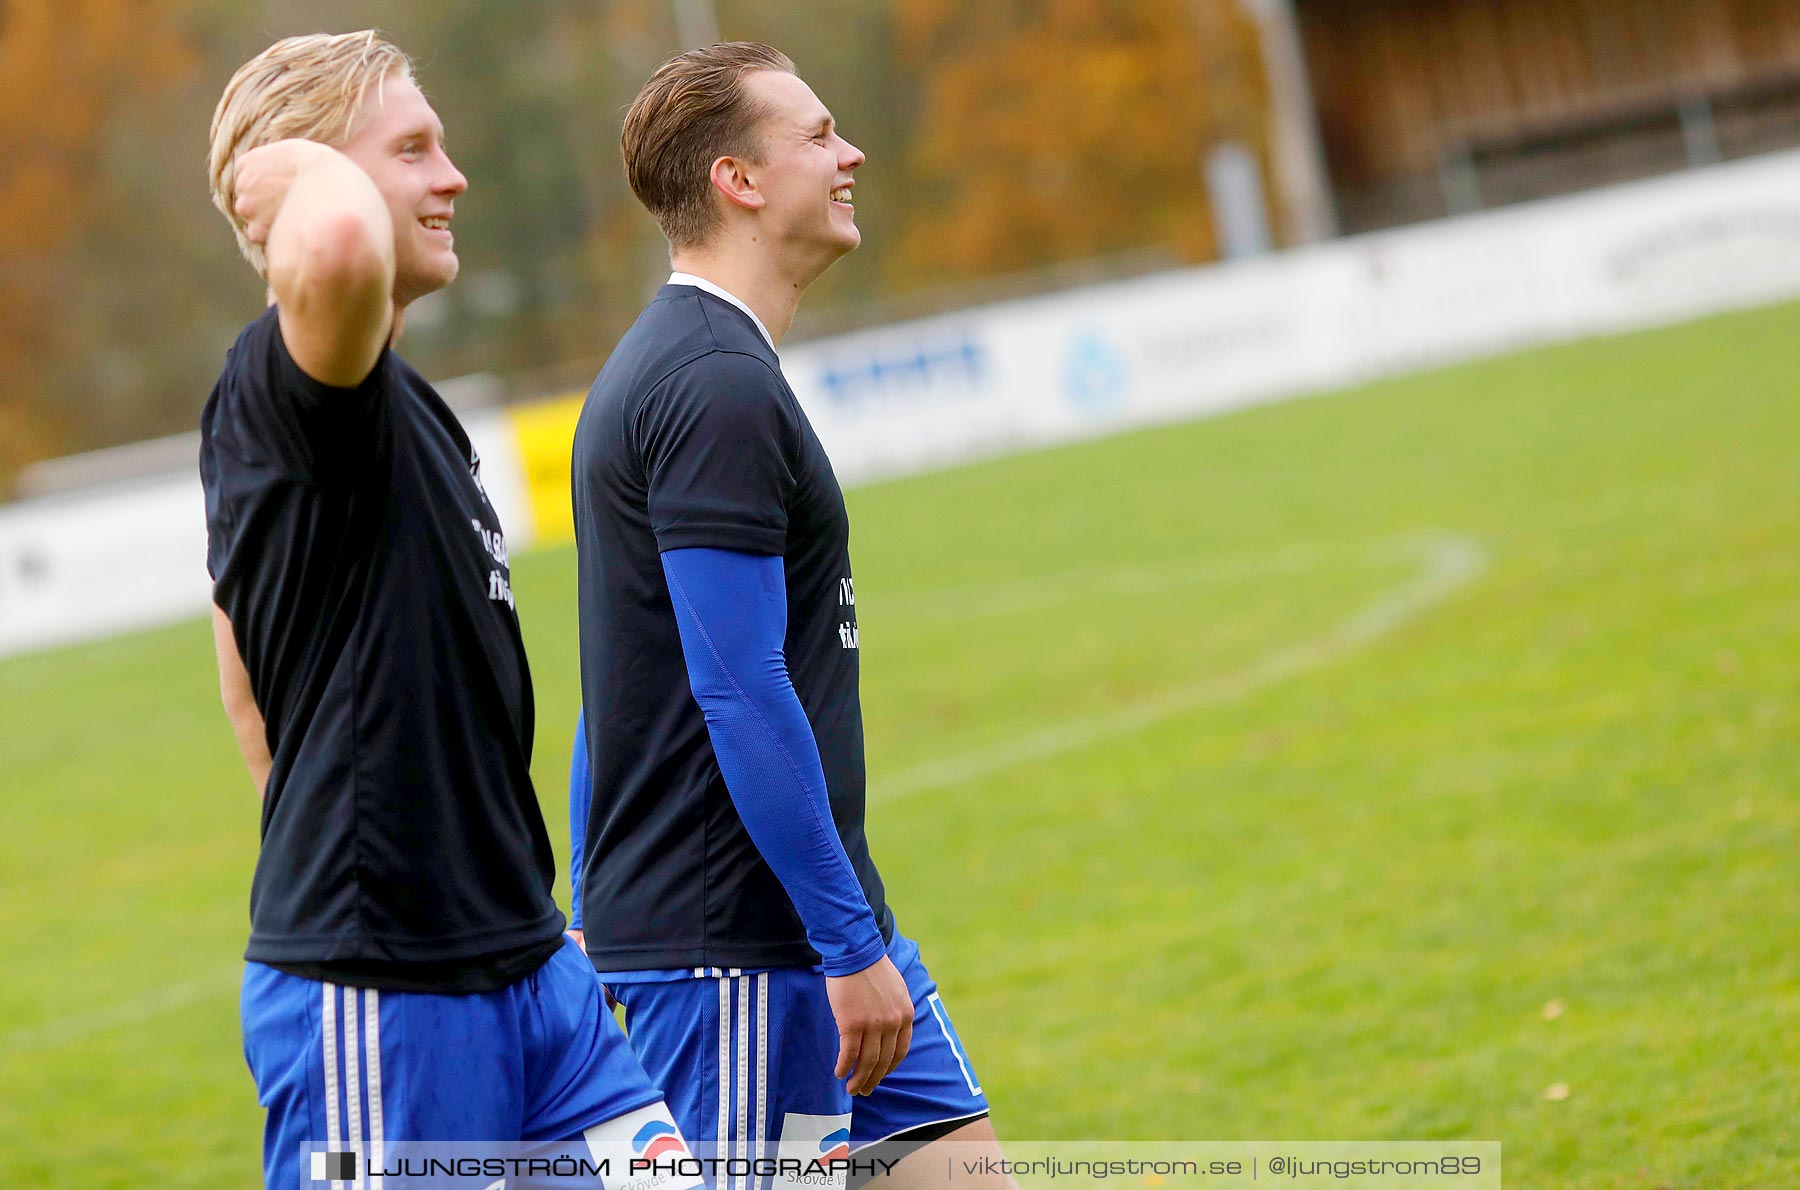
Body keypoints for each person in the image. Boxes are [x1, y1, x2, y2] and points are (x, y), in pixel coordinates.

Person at [201, 32, 693, 1188]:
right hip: (391, 996)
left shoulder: (409, 409)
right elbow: (323, 244)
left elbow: (244, 670)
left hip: (532, 973)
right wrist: (279, 182)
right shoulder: (291, 383)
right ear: (319, 175)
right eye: (413, 148)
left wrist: (499, 902)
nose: (453, 174)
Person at [569, 42, 1011, 1185]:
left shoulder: (692, 364)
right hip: (747, 946)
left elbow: (614, 683)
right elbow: (737, 684)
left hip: (806, 922)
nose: (850, 150)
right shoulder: (710, 380)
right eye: (817, 134)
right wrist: (846, 943)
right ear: (740, 180)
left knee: (966, 1167)